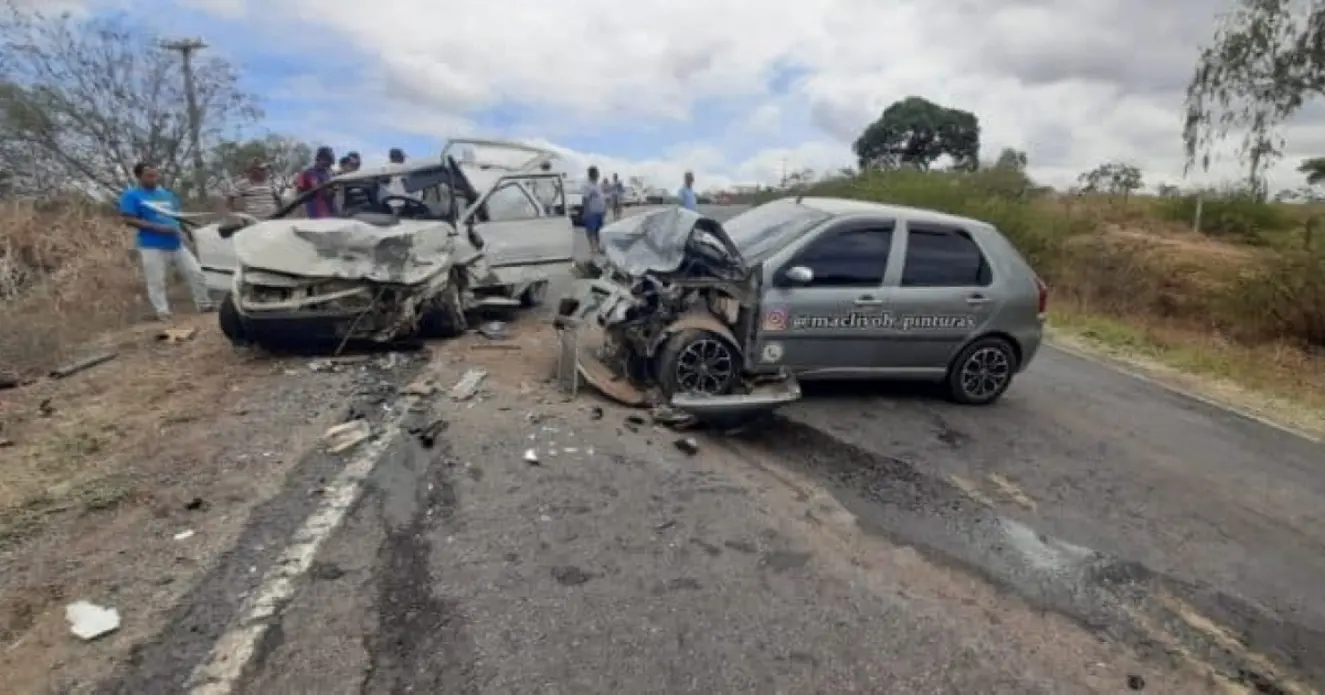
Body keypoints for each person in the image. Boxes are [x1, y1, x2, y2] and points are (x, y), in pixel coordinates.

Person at [118, 162, 214, 321]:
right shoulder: (131, 195)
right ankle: (163, 312)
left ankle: (204, 304)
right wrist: (158, 228)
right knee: (157, 281)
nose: (154, 178)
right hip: (151, 245)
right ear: (139, 176)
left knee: (195, 272)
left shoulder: (167, 194)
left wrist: (186, 231)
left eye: (156, 175)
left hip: (175, 242)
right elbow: (129, 219)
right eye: (149, 176)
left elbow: (177, 216)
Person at [295, 147, 336, 218]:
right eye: (327, 161)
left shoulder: (331, 175)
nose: (328, 165)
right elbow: (299, 195)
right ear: (319, 159)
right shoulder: (306, 174)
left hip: (329, 215)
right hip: (312, 214)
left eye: (330, 163)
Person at [581, 166, 607, 255]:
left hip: (600, 211)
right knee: (591, 230)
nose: (598, 174)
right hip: (591, 212)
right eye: (597, 173)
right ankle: (592, 247)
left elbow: (601, 198)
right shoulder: (587, 185)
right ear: (592, 174)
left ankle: (598, 246)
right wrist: (586, 211)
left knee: (598, 231)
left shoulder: (598, 185)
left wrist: (604, 209)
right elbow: (585, 199)